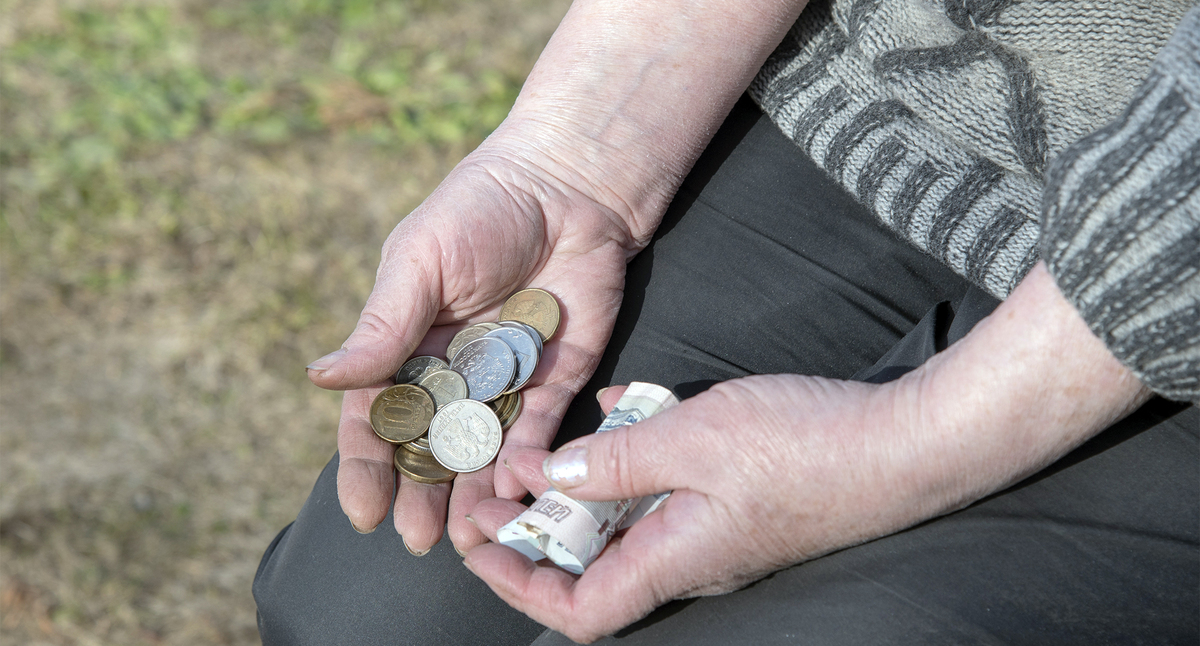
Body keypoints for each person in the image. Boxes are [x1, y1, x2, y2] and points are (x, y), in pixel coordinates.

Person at [254, 1, 1198, 643]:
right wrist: (573, 162)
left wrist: (911, 440)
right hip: (885, 114)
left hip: (1168, 322)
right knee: (359, 616)